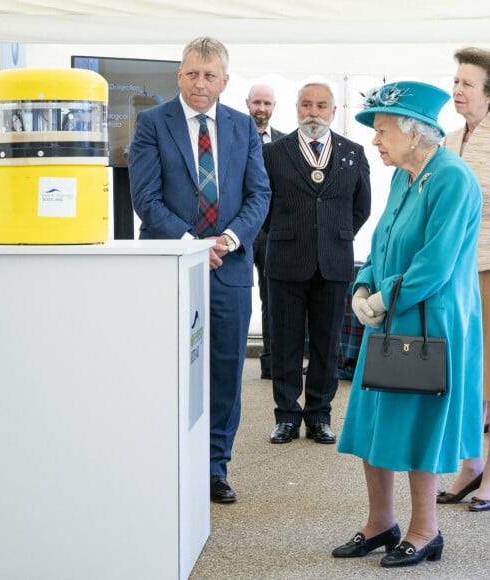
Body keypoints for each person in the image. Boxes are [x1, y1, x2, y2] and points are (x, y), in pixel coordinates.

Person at [334, 81, 483, 568]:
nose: (375, 140)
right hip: (389, 313)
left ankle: (425, 530)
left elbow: (436, 263)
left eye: (381, 130)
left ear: (414, 132)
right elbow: (381, 241)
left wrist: (382, 295)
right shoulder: (401, 175)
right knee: (374, 419)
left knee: (419, 427)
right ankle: (381, 523)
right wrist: (363, 285)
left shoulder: (452, 178)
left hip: (432, 323)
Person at [128, 37, 271, 503]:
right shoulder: (152, 123)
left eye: (209, 76)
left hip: (229, 269)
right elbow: (145, 199)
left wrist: (227, 241)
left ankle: (214, 467)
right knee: (166, 367)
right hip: (170, 268)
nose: (200, 83)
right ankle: (166, 460)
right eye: (192, 74)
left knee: (226, 371)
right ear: (179, 75)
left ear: (225, 81)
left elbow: (259, 195)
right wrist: (193, 247)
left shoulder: (242, 127)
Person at [262, 82, 371, 445]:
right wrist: (284, 234)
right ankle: (287, 416)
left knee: (328, 344)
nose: (313, 112)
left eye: (321, 106)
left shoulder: (353, 153)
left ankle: (319, 416)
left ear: (333, 111)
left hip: (333, 261)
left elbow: (362, 207)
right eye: (306, 105)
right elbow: (262, 206)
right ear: (295, 108)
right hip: (285, 259)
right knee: (285, 342)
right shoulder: (273, 153)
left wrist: (334, 236)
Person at [436, 46, 490, 512]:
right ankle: (469, 465)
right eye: (456, 81)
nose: (457, 89)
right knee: (466, 375)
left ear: (489, 94)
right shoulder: (447, 140)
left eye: (467, 83)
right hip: (456, 275)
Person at [245, 83, 286, 380]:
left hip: (273, 234)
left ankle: (271, 364)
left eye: (267, 103)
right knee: (234, 298)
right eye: (257, 102)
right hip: (240, 232)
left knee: (273, 301)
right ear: (248, 103)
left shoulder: (285, 143)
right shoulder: (233, 137)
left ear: (274, 106)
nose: (261, 108)